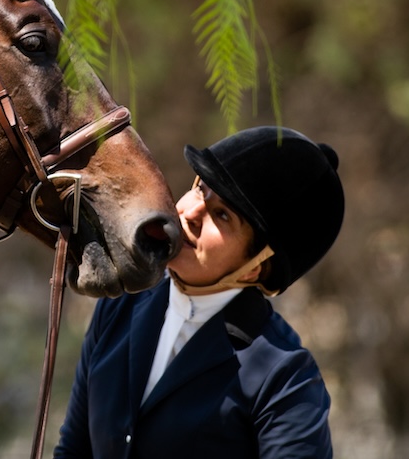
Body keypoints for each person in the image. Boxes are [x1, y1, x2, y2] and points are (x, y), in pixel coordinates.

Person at [53, 126, 345, 459]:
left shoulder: (286, 380)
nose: (190, 213)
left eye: (222, 215)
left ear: (255, 267)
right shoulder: (121, 305)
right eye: (200, 189)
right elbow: (74, 449)